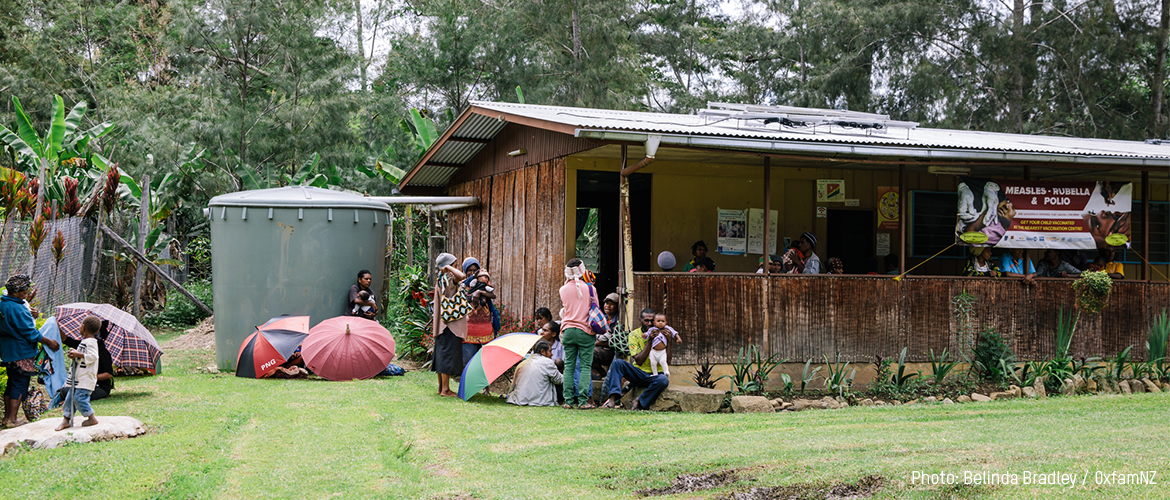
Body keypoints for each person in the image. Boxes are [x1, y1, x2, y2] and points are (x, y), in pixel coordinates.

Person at [1, 274, 59, 428]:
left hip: (9, 351)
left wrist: (31, 314)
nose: (27, 291)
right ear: (14, 291)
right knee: (20, 384)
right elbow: (30, 332)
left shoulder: (4, 303)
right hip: (22, 351)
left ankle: (6, 419)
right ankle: (13, 420)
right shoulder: (18, 308)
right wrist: (49, 342)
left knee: (12, 384)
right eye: (23, 290)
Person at [599, 308, 670, 410]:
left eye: (652, 320)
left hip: (655, 374)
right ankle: (612, 399)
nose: (649, 323)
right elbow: (639, 361)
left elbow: (667, 359)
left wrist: (669, 342)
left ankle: (639, 401)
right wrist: (650, 341)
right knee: (617, 363)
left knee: (663, 380)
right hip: (638, 373)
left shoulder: (661, 333)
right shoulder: (634, 335)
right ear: (640, 320)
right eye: (646, 320)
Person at [559, 258, 598, 409]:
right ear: (582, 271)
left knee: (568, 366)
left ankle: (568, 401)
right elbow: (595, 311)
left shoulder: (563, 289)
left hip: (568, 331)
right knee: (585, 367)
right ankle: (583, 402)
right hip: (585, 331)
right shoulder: (590, 289)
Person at [55, 316, 101, 431]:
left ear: (83, 327)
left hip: (85, 379)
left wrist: (78, 354)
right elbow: (82, 358)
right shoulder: (85, 342)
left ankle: (91, 417)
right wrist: (74, 354)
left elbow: (93, 357)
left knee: (79, 398)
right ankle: (66, 419)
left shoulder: (91, 342)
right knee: (70, 398)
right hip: (78, 378)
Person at [432, 253, 467, 397]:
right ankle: (445, 389)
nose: (457, 267)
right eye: (455, 264)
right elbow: (462, 276)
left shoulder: (441, 278)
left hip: (442, 323)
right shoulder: (449, 278)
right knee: (446, 355)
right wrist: (447, 267)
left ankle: (441, 388)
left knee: (441, 354)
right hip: (449, 324)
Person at [506, 340, 563, 407]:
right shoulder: (548, 362)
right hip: (540, 401)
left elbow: (513, 385)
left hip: (519, 399)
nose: (552, 354)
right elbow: (559, 380)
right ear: (543, 352)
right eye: (550, 351)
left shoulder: (522, 364)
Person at [593, 293, 621, 378]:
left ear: (617, 306)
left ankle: (598, 373)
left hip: (611, 353)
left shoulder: (618, 321)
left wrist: (598, 343)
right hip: (601, 349)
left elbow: (615, 341)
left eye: (611, 304)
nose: (608, 306)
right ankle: (600, 372)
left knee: (591, 351)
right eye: (606, 303)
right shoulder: (603, 318)